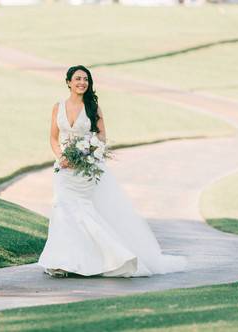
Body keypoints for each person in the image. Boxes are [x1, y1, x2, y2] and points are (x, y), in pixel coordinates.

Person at [38, 65, 187, 278]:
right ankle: (62, 262)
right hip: (63, 170)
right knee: (62, 211)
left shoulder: (93, 108)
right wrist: (61, 157)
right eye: (78, 78)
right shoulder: (57, 107)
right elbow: (53, 137)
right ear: (69, 82)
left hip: (86, 170)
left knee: (81, 212)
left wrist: (85, 155)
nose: (82, 82)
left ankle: (109, 257)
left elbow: (101, 138)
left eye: (86, 79)